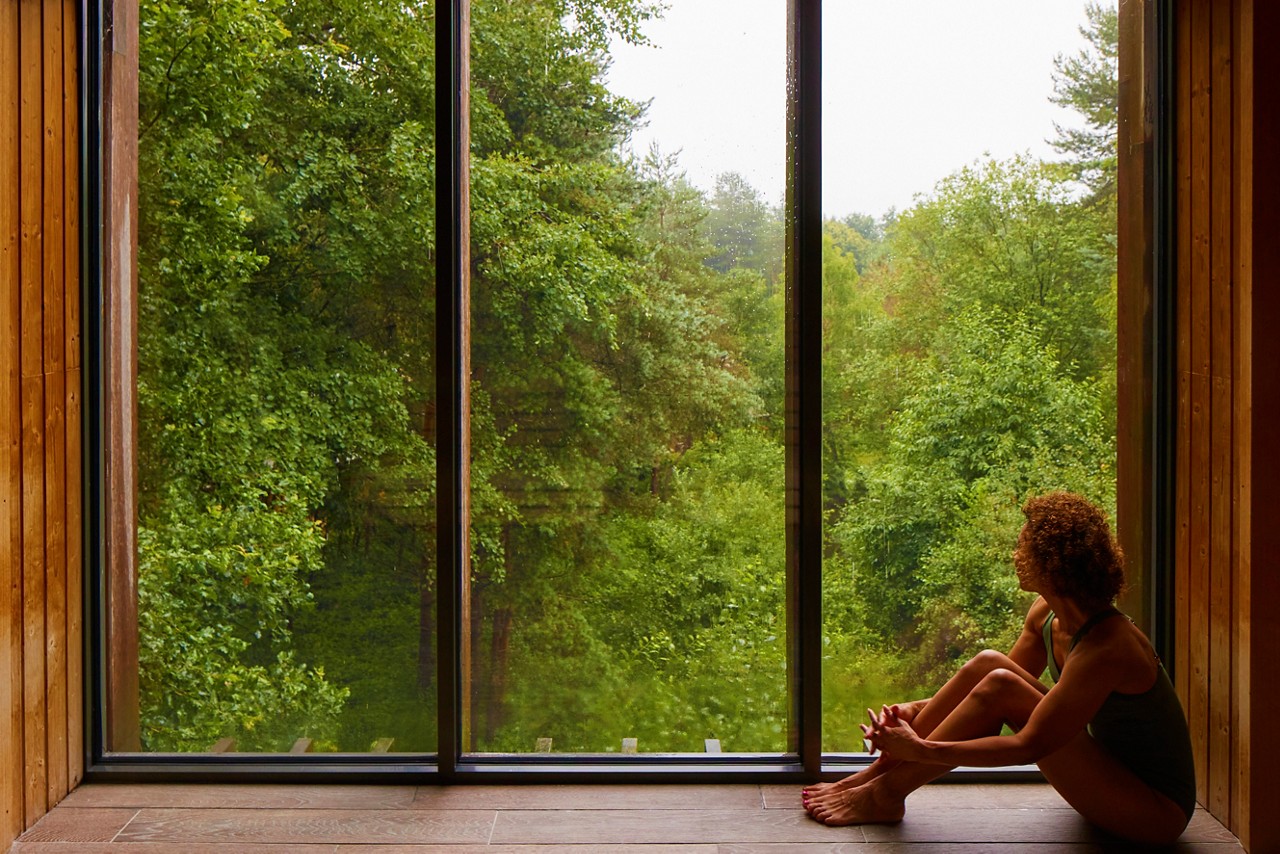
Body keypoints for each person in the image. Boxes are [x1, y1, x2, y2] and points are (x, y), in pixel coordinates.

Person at [802, 491, 1196, 846]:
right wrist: (914, 711)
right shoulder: (1048, 614)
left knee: (1001, 681)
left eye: (1024, 547)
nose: (1015, 555)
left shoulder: (1108, 648)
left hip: (1151, 812)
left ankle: (886, 795)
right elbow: (986, 692)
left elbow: (1029, 744)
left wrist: (922, 748)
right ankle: (876, 778)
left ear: (1053, 566)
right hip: (1109, 775)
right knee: (990, 664)